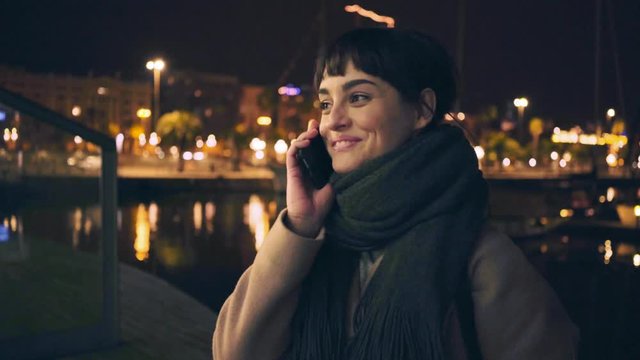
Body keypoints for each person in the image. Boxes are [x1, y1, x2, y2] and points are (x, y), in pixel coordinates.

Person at [213, 27, 579, 360]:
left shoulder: (480, 257)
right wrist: (298, 227)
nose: (333, 120)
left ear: (422, 110)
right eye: (325, 103)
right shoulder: (317, 236)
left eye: (357, 97)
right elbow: (234, 354)